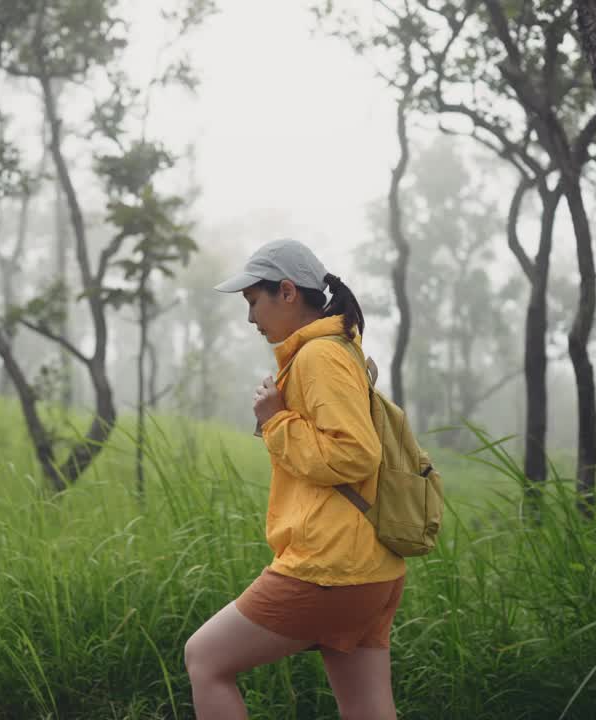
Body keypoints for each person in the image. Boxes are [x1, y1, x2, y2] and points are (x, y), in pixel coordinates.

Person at [184, 239, 405, 720]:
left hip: (330, 567)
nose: (250, 318)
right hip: (373, 569)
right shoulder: (339, 350)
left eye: (253, 302)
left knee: (205, 659)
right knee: (367, 707)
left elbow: (355, 453)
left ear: (286, 292)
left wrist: (275, 421)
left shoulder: (318, 358)